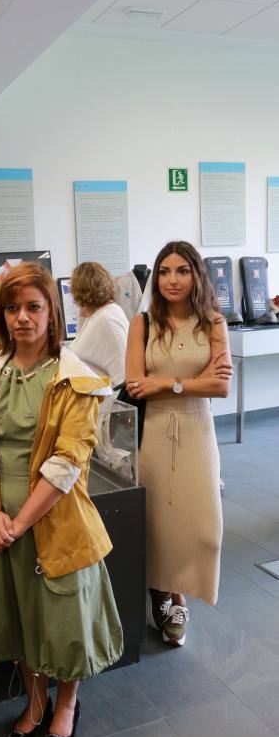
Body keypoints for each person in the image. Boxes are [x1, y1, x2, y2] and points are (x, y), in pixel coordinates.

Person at [0, 262, 123, 737]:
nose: (22, 318)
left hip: (52, 517)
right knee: (20, 613)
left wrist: (18, 522)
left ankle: (66, 704)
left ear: (54, 312)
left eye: (33, 307)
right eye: (12, 308)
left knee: (61, 617)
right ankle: (34, 702)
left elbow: (67, 462)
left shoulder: (77, 379)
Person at [125, 241, 232, 647]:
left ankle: (176, 586)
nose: (172, 279)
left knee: (205, 528)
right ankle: (171, 595)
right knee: (160, 523)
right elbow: (136, 384)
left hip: (198, 431)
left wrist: (168, 382)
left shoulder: (213, 324)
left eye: (182, 271)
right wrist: (194, 381)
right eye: (165, 271)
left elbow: (220, 387)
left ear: (196, 275)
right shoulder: (144, 324)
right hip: (154, 434)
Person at [69, 261, 129, 387]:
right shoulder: (97, 315)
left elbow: (122, 379)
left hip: (104, 402)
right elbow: (79, 343)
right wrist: (83, 310)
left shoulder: (106, 319)